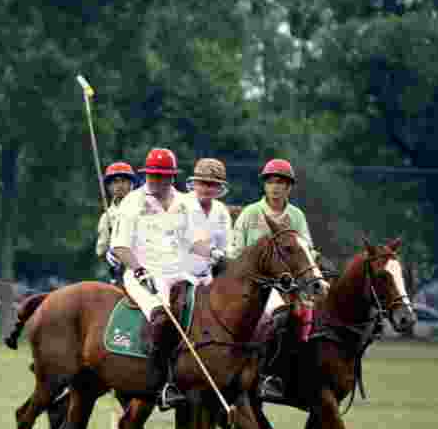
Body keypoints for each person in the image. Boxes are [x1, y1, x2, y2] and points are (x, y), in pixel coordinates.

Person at [110, 148, 223, 410]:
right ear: (146, 175)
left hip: (179, 272)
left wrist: (216, 255)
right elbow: (120, 247)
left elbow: (196, 242)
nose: (158, 181)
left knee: (203, 312)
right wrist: (138, 270)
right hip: (144, 273)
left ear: (173, 177)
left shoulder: (186, 202)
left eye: (164, 176)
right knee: (162, 318)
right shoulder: (132, 202)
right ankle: (163, 383)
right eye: (154, 176)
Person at [230, 158, 316, 400]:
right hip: (255, 284)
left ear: (289, 188)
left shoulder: (296, 216)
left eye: (281, 182)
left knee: (307, 319)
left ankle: (291, 372)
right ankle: (265, 375)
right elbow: (235, 251)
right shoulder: (251, 213)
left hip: (289, 285)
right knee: (278, 316)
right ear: (264, 186)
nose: (275, 187)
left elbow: (307, 248)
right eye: (271, 181)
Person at [184, 158, 232, 284]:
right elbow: (186, 241)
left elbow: (226, 245)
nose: (206, 188)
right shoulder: (181, 205)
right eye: (202, 183)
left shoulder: (221, 211)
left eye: (211, 185)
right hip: (179, 277)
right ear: (194, 184)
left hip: (209, 278)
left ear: (219, 188)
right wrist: (213, 253)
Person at [96, 162, 138, 283]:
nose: (120, 185)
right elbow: (101, 250)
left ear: (132, 184)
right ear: (109, 187)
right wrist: (108, 254)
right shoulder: (106, 217)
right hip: (122, 273)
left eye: (124, 181)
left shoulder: (145, 208)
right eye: (115, 181)